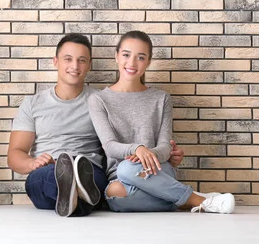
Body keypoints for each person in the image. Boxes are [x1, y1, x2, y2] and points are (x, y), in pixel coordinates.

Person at [7, 33, 185, 217]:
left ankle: (74, 194)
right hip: (48, 166)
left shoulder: (100, 100)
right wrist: (33, 163)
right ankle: (74, 192)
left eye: (81, 60)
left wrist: (161, 154)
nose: (75, 66)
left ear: (89, 65)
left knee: (89, 181)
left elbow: (124, 138)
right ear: (55, 61)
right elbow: (15, 153)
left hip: (88, 168)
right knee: (47, 178)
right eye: (68, 59)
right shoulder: (33, 104)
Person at [88, 30, 236, 214]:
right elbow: (109, 146)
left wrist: (146, 155)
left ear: (148, 62)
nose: (132, 63)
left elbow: (166, 147)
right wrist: (136, 149)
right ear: (117, 56)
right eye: (126, 55)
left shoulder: (161, 98)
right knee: (115, 196)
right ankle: (192, 199)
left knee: (128, 168)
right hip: (121, 178)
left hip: (158, 170)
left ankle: (193, 199)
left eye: (140, 57)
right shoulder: (99, 100)